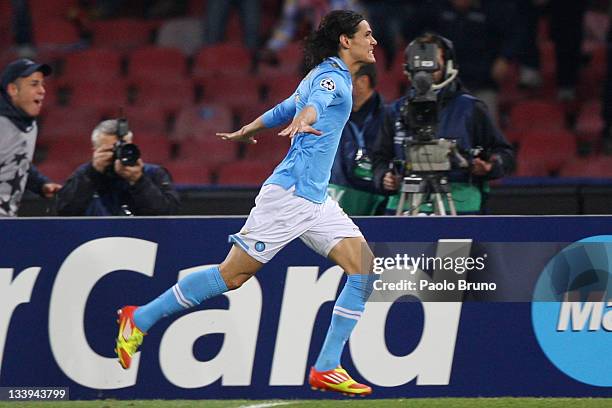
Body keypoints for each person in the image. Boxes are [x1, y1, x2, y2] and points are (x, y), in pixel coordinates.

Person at [115, 10, 377, 396]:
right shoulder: (333, 78)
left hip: (316, 200)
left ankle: (327, 366)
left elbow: (288, 107)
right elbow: (312, 104)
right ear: (345, 40)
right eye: (367, 34)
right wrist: (307, 116)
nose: (374, 41)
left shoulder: (324, 71)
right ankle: (139, 318)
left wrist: (249, 129)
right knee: (233, 276)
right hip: (289, 197)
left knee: (365, 269)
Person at [372, 33, 515, 215]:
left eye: (432, 64)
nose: (425, 73)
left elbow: (505, 154)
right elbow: (379, 158)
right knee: (403, 245)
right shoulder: (394, 110)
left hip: (459, 202)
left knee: (455, 245)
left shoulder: (471, 109)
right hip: (405, 200)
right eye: (419, 64)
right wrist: (384, 177)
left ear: (448, 65)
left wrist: (488, 166)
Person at [55, 119, 180, 216]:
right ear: (95, 150)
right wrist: (92, 173)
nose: (116, 155)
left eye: (122, 148)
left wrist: (139, 181)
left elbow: (168, 216)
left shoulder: (153, 173)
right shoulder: (84, 174)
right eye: (110, 150)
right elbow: (65, 211)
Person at [0, 58, 62, 217]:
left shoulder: (29, 124)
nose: (42, 90)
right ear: (13, 89)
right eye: (34, 84)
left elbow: (16, 162)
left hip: (7, 223)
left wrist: (41, 184)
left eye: (42, 85)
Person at [328, 63, 387, 215]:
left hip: (373, 207)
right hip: (331, 205)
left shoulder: (389, 119)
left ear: (362, 82)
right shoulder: (326, 117)